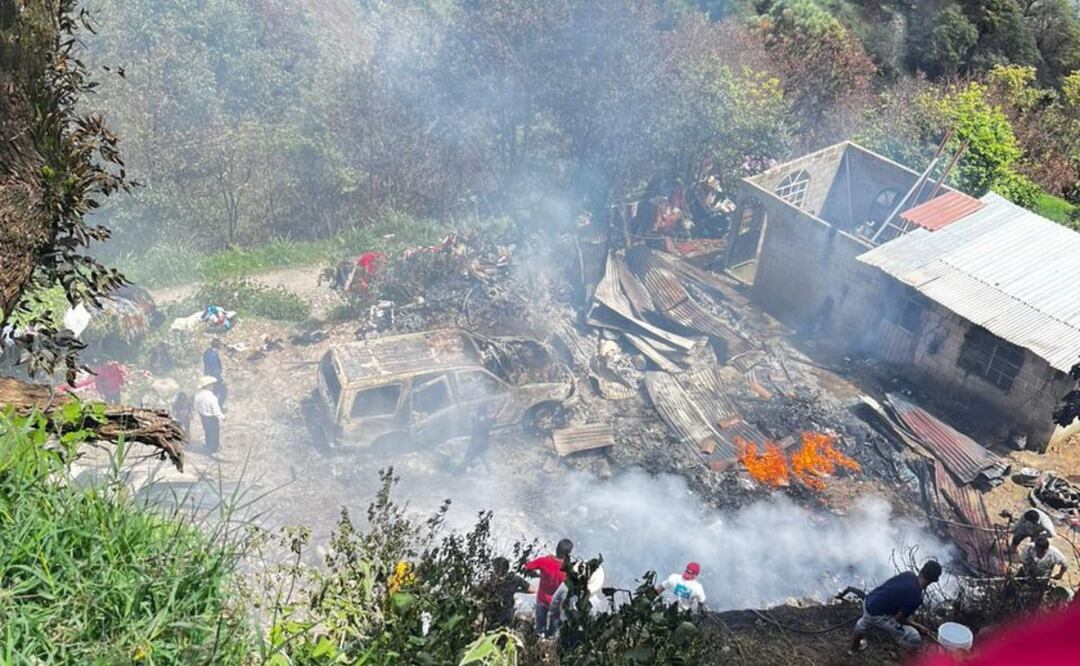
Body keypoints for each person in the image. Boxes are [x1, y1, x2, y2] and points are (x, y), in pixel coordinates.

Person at [849, 560, 942, 654]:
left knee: (863, 623)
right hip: (874, 614)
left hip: (870, 599)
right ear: (932, 581)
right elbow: (898, 619)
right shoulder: (915, 597)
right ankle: (911, 662)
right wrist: (918, 627)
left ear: (921, 570)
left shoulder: (908, 575)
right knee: (914, 637)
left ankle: (853, 649)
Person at [525, 538, 573, 638]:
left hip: (542, 600)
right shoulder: (569, 570)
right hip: (557, 604)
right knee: (553, 633)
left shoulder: (544, 561)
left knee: (540, 629)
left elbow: (526, 567)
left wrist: (538, 575)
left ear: (556, 549)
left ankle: (538, 644)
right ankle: (549, 643)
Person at [483, 557, 534, 629]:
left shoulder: (491, 582)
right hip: (508, 615)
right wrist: (517, 590)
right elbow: (532, 590)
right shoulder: (515, 579)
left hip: (494, 616)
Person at [455, 405, 493, 474]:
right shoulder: (488, 421)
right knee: (486, 462)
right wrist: (504, 408)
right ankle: (492, 474)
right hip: (483, 445)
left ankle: (457, 473)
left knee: (466, 460)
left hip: (474, 445)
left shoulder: (474, 420)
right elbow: (496, 417)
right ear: (486, 412)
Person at [193, 376, 224, 454]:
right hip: (211, 418)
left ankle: (208, 446)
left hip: (203, 416)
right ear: (207, 385)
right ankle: (214, 449)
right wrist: (222, 417)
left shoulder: (198, 394)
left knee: (207, 431)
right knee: (214, 432)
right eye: (211, 385)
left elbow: (196, 405)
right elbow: (216, 410)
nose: (212, 386)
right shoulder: (211, 397)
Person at [202, 339, 227, 408]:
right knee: (223, 391)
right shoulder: (212, 354)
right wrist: (219, 378)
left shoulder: (209, 352)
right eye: (220, 345)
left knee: (215, 392)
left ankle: (215, 406)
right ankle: (218, 406)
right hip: (213, 377)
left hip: (210, 376)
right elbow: (213, 367)